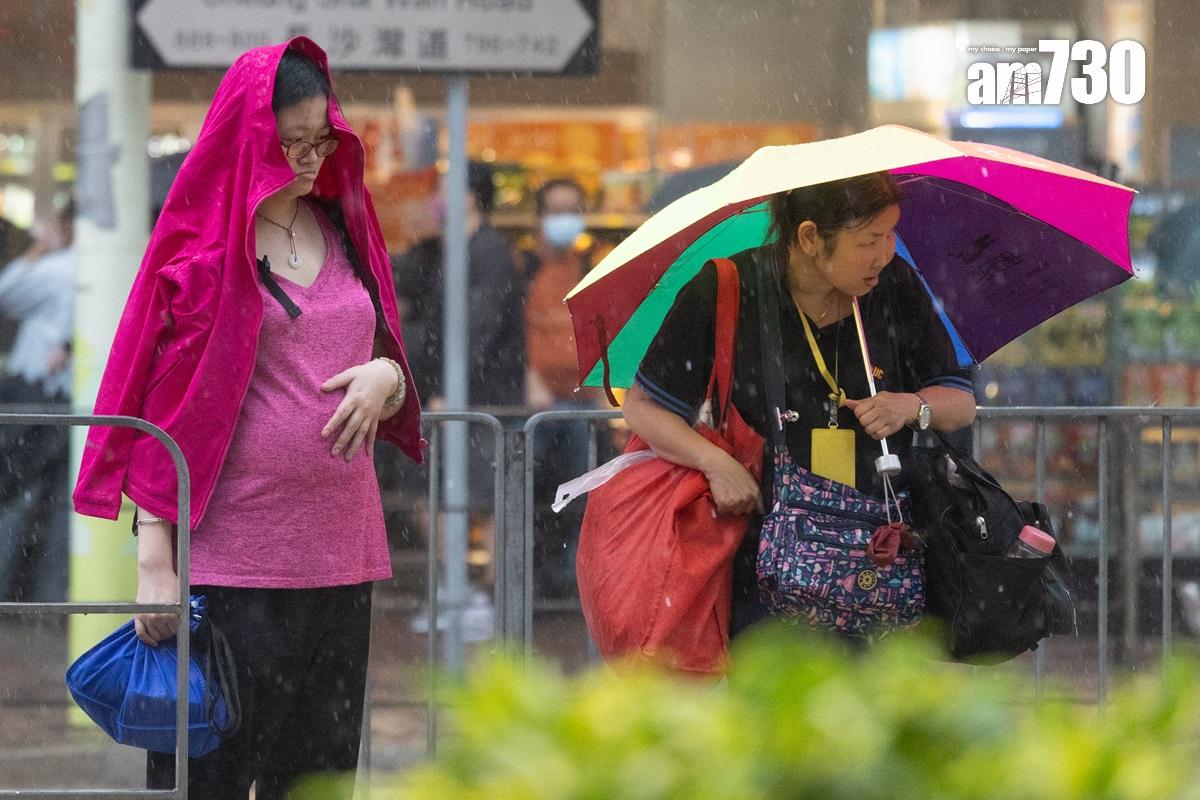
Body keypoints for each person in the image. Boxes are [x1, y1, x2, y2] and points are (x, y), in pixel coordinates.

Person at [71, 40, 422, 799]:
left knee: (321, 779)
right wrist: (155, 561)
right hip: (230, 565)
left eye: (322, 138)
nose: (310, 158)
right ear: (250, 138)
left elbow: (386, 352)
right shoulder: (201, 247)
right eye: (291, 142)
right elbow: (156, 403)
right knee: (212, 778)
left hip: (343, 553)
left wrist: (388, 378)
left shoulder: (344, 227)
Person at [623, 172, 976, 636]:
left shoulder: (893, 286)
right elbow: (643, 406)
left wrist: (912, 406)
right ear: (810, 237)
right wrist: (714, 463)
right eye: (868, 241)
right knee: (772, 678)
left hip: (880, 555)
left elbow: (960, 403)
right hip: (760, 558)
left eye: (890, 234)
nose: (885, 253)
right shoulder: (728, 287)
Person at [523, 178, 602, 599]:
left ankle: (571, 581)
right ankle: (534, 578)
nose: (565, 220)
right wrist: (528, 377)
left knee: (580, 496)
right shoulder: (523, 269)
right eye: (557, 211)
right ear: (539, 217)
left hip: (583, 403)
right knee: (533, 494)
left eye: (573, 210)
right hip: (536, 406)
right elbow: (510, 331)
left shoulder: (592, 268)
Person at [0, 203, 74, 601]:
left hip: (38, 399)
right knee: (67, 507)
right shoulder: (128, 267)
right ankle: (53, 598)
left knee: (16, 495)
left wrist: (40, 247)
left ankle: (8, 597)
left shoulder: (60, 268)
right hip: (86, 405)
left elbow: (6, 291)